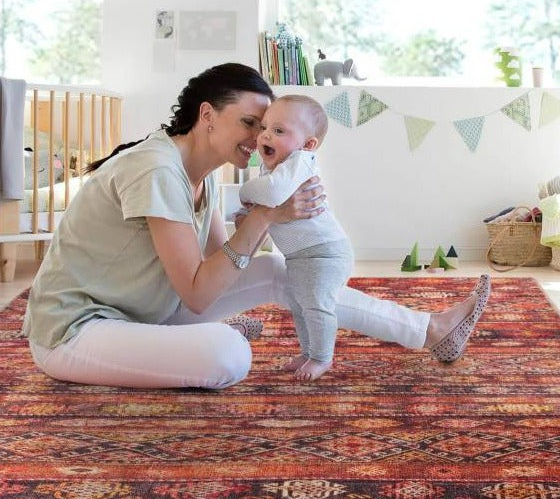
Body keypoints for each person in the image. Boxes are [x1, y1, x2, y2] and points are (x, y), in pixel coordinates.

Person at [22, 62, 491, 391]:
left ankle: (429, 330)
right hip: (78, 329)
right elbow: (200, 293)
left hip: (144, 312)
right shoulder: (157, 169)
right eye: (250, 122)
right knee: (229, 355)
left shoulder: (202, 175)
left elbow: (225, 265)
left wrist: (273, 215)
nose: (261, 136)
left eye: (267, 125)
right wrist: (267, 214)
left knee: (275, 271)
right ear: (207, 114)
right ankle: (192, 340)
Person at [239, 95, 353, 380]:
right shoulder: (273, 169)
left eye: (279, 131)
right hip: (301, 255)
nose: (265, 135)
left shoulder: (300, 161)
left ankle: (322, 357)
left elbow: (273, 193)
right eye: (265, 127)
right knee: (300, 305)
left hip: (324, 253)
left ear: (308, 144)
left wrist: (245, 193)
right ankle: (308, 351)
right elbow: (268, 201)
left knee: (315, 304)